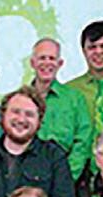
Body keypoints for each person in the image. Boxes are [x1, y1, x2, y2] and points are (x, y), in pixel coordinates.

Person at [28, 38, 96, 180]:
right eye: (42, 58)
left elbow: (83, 141)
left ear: (60, 64)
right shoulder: (21, 99)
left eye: (52, 58)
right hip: (26, 174)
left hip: (64, 173)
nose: (47, 63)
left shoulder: (75, 99)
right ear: (32, 63)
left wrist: (66, 176)